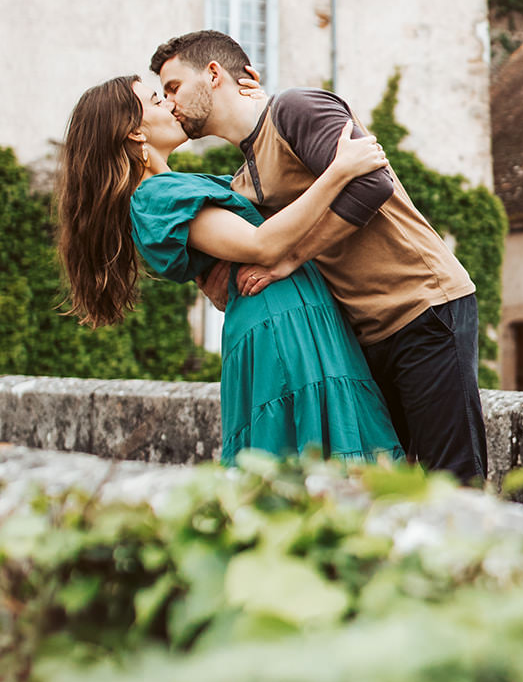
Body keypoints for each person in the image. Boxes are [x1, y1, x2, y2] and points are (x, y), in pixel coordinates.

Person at [150, 31, 488, 483]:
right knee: (394, 483)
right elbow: (247, 241)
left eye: (172, 87)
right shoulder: (243, 180)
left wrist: (291, 259)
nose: (169, 103)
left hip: (422, 306)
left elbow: (372, 182)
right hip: (363, 334)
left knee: (455, 478)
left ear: (214, 75)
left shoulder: (295, 109)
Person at [57, 74, 404, 466]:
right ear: (136, 133)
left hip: (293, 316)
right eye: (157, 101)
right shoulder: (155, 197)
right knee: (310, 463)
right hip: (281, 326)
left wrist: (256, 107)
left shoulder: (171, 187)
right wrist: (339, 171)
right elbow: (264, 244)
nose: (170, 105)